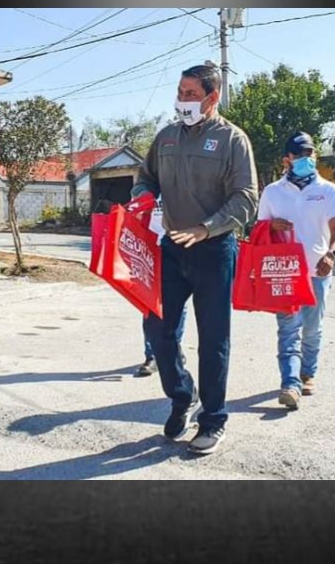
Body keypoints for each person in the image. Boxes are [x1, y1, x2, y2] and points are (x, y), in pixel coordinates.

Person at [135, 63, 258, 454]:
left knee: (214, 340)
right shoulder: (167, 137)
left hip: (214, 249)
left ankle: (213, 420)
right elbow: (146, 176)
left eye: (191, 94)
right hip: (172, 247)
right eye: (180, 92)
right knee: (158, 330)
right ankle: (182, 395)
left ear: (212, 97)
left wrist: (207, 227)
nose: (182, 100)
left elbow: (246, 197)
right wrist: (142, 197)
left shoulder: (232, 140)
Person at [256, 132, 335, 409]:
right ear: (287, 160)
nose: (307, 159)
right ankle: (290, 384)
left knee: (312, 328)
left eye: (311, 153)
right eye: (301, 154)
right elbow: (258, 230)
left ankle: (308, 373)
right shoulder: (272, 192)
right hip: (285, 273)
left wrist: (332, 253)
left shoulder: (327, 190)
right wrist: (271, 227)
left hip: (318, 272)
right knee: (288, 329)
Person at [138, 194, 187, 377]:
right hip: (150, 250)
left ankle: (175, 347)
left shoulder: (180, 181)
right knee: (148, 304)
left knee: (179, 304)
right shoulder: (147, 186)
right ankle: (152, 355)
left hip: (176, 249)